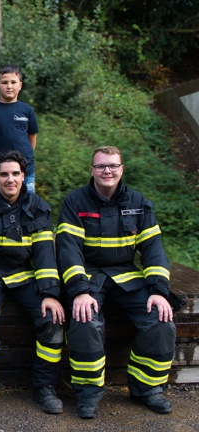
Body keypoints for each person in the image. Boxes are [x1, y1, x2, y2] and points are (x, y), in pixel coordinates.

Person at [56, 146, 179, 419]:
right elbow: (68, 250)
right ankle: (88, 393)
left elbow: (153, 250)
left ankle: (147, 388)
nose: (107, 171)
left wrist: (159, 290)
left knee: (161, 317)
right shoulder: (75, 202)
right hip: (88, 276)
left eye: (112, 165)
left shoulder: (139, 203)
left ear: (122, 169)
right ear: (92, 170)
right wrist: (78, 291)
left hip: (126, 276)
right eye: (101, 166)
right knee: (85, 319)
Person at [0, 151, 64, 414]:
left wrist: (51, 294)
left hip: (25, 276)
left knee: (52, 319)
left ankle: (46, 387)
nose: (10, 179)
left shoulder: (39, 208)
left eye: (16, 174)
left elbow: (44, 255)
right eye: (4, 174)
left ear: (24, 176)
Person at [0, 66, 38, 193]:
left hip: (26, 171)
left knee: (28, 208)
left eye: (13, 82)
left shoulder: (27, 110)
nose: (9, 86)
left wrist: (23, 159)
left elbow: (32, 141)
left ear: (20, 85)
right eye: (4, 82)